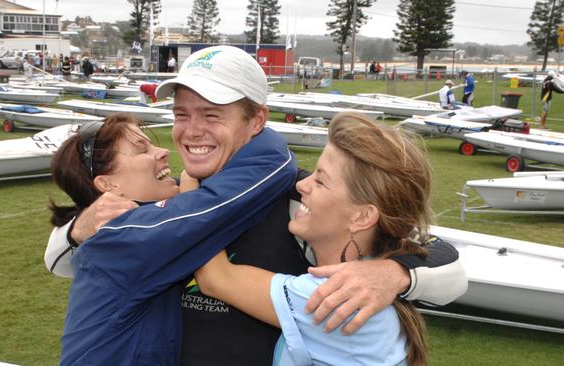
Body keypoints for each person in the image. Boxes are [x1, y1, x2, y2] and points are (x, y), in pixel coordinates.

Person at [45, 45, 466, 365]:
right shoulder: (174, 201)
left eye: (211, 116)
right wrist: (77, 229)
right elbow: (67, 262)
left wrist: (392, 272)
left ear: (257, 122)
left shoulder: (300, 200)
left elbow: (447, 264)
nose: (192, 132)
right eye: (181, 115)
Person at [54, 110, 297, 365]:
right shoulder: (127, 239)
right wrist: (252, 125)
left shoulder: (120, 233)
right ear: (108, 185)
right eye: (141, 150)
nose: (162, 151)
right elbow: (227, 199)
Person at [194, 113, 437, 365]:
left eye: (320, 181)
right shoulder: (373, 280)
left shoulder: (332, 296)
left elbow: (215, 278)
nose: (302, 185)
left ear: (362, 216)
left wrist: (192, 184)